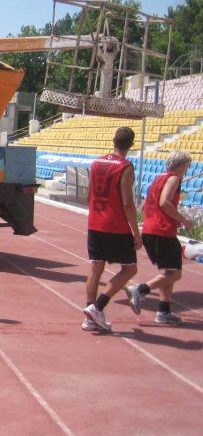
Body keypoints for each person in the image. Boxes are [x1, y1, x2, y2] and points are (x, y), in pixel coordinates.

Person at [83, 126, 141, 332]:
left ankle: (89, 316)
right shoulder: (125, 167)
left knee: (95, 268)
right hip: (115, 225)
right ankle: (98, 307)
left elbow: (89, 192)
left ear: (113, 141)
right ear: (131, 145)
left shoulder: (97, 161)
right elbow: (127, 203)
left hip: (95, 223)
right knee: (130, 269)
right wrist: (135, 232)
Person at [125, 151, 194, 325]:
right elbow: (164, 202)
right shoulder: (173, 179)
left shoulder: (158, 178)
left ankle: (163, 312)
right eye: (187, 166)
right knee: (176, 273)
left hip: (152, 229)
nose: (187, 169)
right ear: (180, 165)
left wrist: (171, 220)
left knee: (169, 272)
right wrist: (183, 219)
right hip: (161, 232)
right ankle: (140, 290)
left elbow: (152, 204)